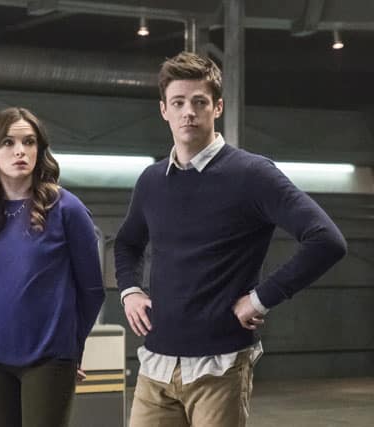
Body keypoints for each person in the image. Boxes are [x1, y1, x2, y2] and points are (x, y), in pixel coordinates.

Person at [114, 51, 347, 427]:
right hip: (156, 365)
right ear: (164, 110)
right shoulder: (151, 181)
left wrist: (260, 299)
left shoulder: (252, 174)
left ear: (218, 107)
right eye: (178, 102)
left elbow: (327, 240)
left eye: (199, 102)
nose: (188, 112)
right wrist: (130, 290)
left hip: (220, 367)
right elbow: (127, 243)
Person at [0, 107, 105, 427]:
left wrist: (72, 350)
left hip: (49, 357)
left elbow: (92, 291)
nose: (20, 151)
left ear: (39, 150)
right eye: (8, 142)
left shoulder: (67, 208)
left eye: (29, 142)